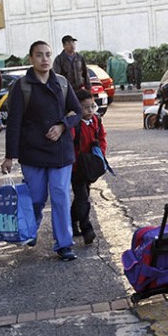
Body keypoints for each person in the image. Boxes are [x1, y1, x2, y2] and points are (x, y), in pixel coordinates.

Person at [1, 40, 82, 261]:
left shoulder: (62, 83)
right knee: (36, 197)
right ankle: (30, 228)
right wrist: (9, 156)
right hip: (32, 153)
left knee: (60, 196)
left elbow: (77, 111)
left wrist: (63, 125)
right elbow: (14, 122)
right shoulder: (21, 86)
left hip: (60, 153)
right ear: (31, 58)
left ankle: (64, 244)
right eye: (39, 55)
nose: (44, 59)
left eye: (47, 54)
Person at [71, 89, 107, 245]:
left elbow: (102, 138)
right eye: (85, 107)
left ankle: (71, 220)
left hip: (90, 167)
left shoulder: (96, 121)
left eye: (92, 106)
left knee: (82, 196)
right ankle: (87, 228)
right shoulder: (74, 124)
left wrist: (100, 155)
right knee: (82, 197)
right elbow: (69, 144)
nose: (90, 110)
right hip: (76, 168)